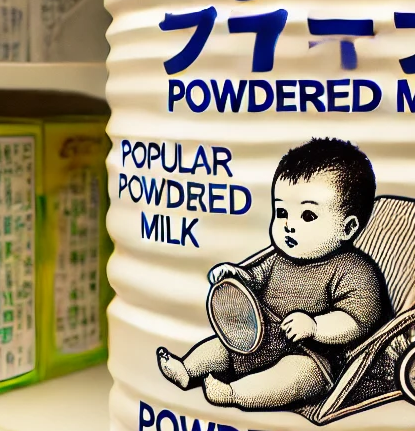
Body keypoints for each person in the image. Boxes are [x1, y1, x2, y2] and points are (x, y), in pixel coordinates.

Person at [158, 137, 389, 411]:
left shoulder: (353, 270)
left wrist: (315, 327)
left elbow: (357, 321)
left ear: (347, 229)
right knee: (220, 348)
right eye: (282, 212)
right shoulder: (277, 260)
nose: (289, 226)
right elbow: (253, 282)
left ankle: (234, 392)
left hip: (313, 358)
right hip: (259, 340)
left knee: (293, 374)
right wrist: (237, 275)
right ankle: (187, 369)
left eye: (307, 216)